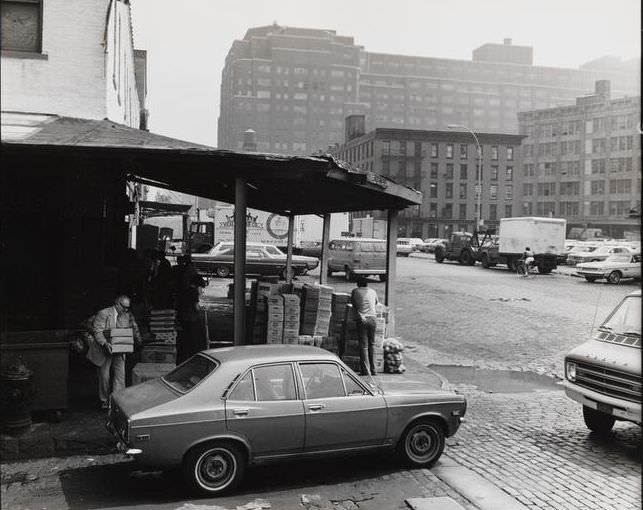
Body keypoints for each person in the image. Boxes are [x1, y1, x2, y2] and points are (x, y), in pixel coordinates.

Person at [87, 295, 141, 410]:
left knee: (120, 376)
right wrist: (105, 343)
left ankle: (118, 400)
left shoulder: (126, 315)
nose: (126, 310)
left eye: (128, 308)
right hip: (104, 349)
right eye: (124, 307)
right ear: (117, 304)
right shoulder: (104, 313)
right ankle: (104, 401)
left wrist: (133, 342)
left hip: (119, 350)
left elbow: (127, 331)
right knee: (104, 376)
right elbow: (98, 331)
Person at [350, 277, 379, 376]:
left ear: (358, 284)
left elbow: (353, 304)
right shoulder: (373, 291)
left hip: (362, 320)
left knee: (364, 346)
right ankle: (374, 369)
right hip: (373, 319)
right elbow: (375, 303)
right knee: (372, 345)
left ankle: (366, 371)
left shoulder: (355, 291)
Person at [176, 274, 207, 364]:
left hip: (182, 316)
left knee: (184, 338)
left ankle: (184, 355)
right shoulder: (194, 292)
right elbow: (196, 306)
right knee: (192, 339)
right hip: (191, 317)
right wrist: (201, 310)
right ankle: (191, 356)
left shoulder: (184, 290)